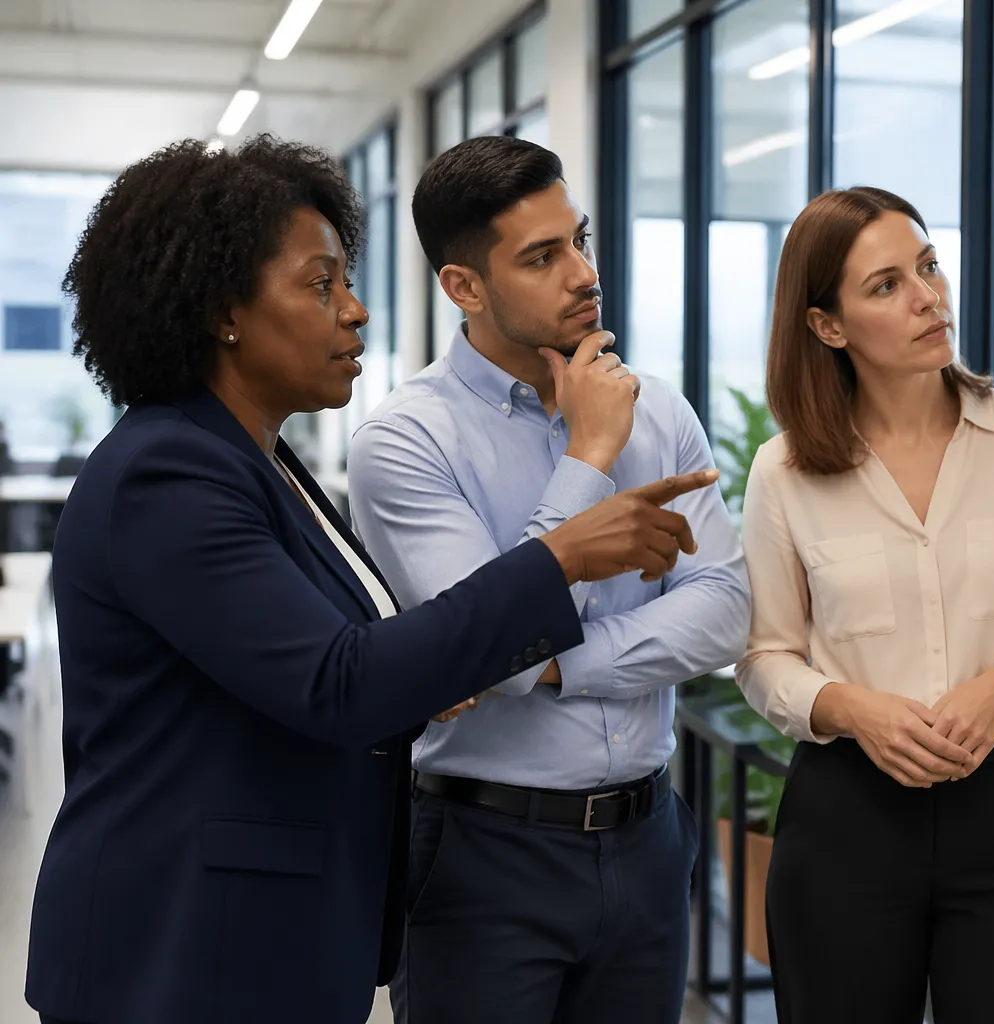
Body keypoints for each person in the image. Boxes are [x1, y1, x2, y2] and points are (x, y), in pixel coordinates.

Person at [24, 136, 717, 1024]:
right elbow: (339, 684)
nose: (355, 311)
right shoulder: (168, 474)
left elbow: (334, 657)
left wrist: (426, 676)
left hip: (265, 932)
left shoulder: (259, 463)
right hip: (182, 947)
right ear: (222, 312)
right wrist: (566, 552)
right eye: (321, 286)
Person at [347, 136, 748, 1024]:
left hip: (648, 841)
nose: (583, 274)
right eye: (542, 257)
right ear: (464, 286)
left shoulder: (660, 410)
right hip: (483, 854)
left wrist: (557, 662)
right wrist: (590, 457)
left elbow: (725, 611)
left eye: (581, 240)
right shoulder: (405, 441)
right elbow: (487, 648)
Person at [736, 186, 994, 1023]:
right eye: (887, 285)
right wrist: (852, 708)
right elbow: (763, 657)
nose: (930, 297)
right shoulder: (783, 472)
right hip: (847, 816)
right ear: (827, 325)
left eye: (929, 266)